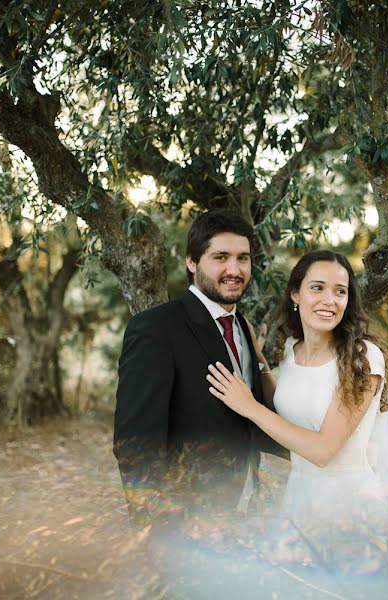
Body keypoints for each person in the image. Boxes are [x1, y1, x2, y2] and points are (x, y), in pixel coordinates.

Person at [206, 250, 388, 543]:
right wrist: (258, 357)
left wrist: (249, 407)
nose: (329, 300)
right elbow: (290, 409)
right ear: (295, 295)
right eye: (317, 288)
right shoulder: (292, 349)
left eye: (340, 291)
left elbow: (323, 450)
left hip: (350, 506)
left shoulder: (363, 359)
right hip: (300, 498)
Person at [113, 209, 282, 522]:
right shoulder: (156, 328)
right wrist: (159, 527)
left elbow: (245, 423)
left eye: (243, 258)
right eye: (221, 257)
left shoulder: (242, 326)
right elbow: (135, 443)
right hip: (186, 522)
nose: (235, 269)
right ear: (192, 261)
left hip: (243, 514)